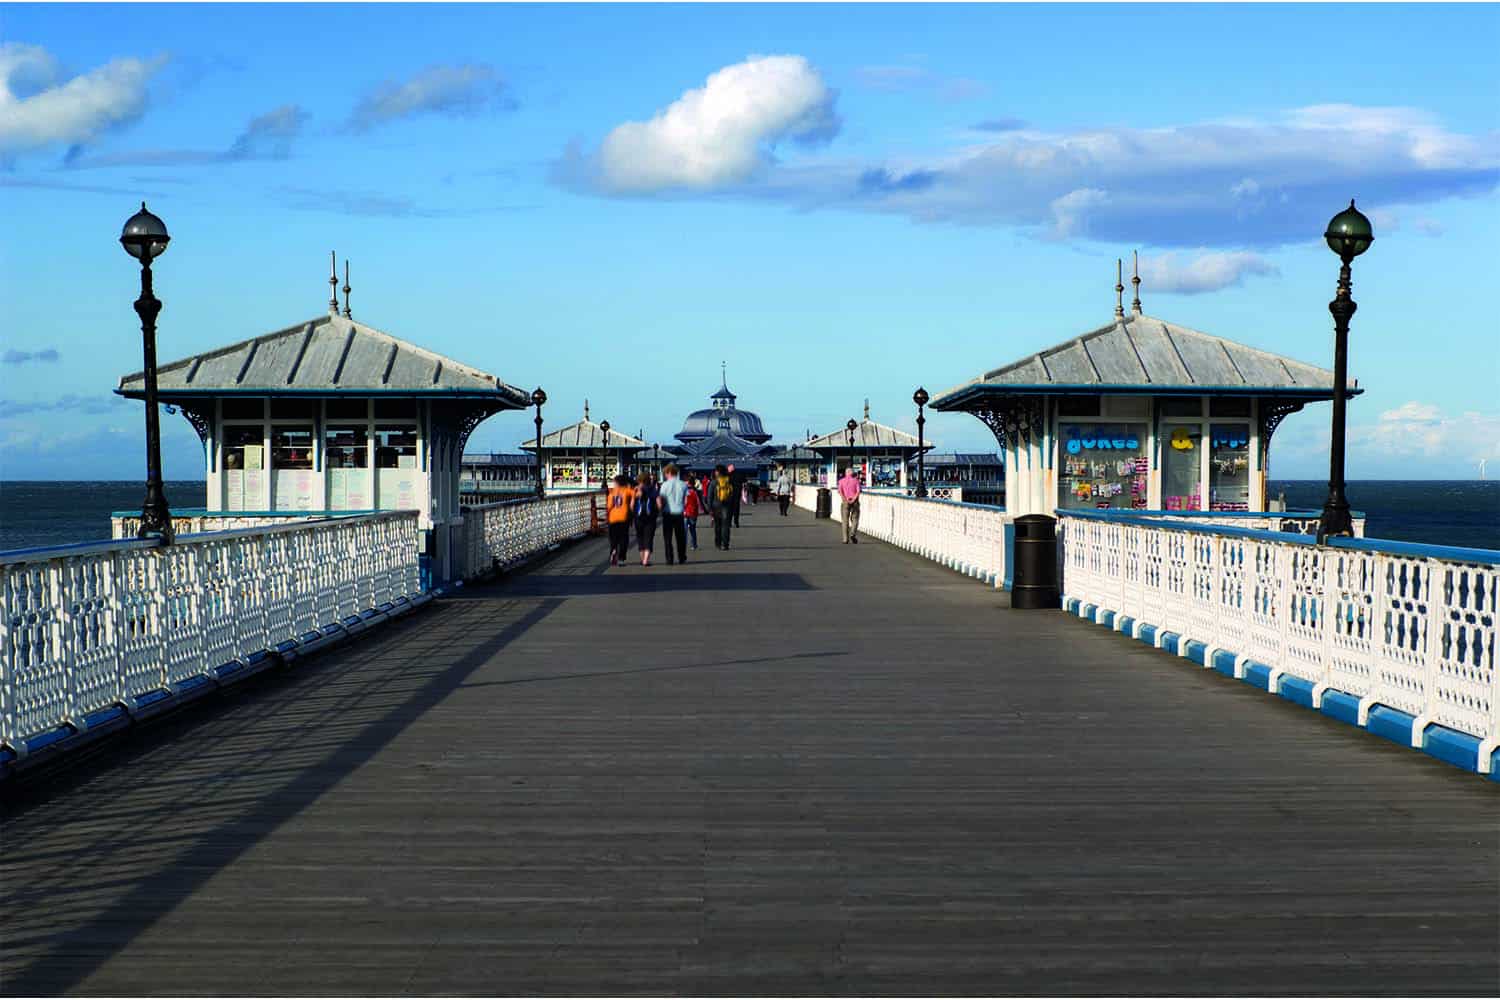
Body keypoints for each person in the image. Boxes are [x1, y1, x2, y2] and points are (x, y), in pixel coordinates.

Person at [657, 464, 690, 565]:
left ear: (669, 472)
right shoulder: (683, 484)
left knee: (668, 538)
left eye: (665, 473)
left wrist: (660, 509)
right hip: (679, 513)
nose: (665, 475)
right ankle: (682, 557)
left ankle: (669, 559)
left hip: (668, 513)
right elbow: (686, 500)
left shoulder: (664, 485)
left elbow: (661, 500)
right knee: (680, 537)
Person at [606, 474, 635, 566]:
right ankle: (621, 558)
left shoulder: (612, 493)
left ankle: (613, 550)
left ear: (617, 483)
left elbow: (609, 506)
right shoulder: (627, 490)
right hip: (624, 517)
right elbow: (636, 493)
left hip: (613, 518)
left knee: (613, 538)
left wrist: (607, 516)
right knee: (623, 538)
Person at [634, 471, 661, 566]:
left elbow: (632, 504)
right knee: (649, 538)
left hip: (638, 517)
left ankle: (642, 559)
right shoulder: (653, 489)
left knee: (640, 537)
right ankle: (646, 560)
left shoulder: (636, 489)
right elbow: (659, 505)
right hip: (650, 517)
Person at [708, 464, 736, 550]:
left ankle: (718, 543)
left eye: (716, 471)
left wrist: (710, 508)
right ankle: (726, 544)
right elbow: (733, 494)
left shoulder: (713, 482)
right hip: (727, 506)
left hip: (716, 506)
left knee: (718, 526)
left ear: (718, 472)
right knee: (726, 526)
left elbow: (709, 496)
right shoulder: (729, 481)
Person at [838, 466, 862, 544]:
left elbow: (840, 492)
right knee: (855, 519)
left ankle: (845, 539)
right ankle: (852, 534)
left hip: (845, 502)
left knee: (845, 521)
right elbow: (858, 491)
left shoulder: (841, 481)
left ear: (846, 473)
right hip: (854, 502)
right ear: (852, 473)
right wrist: (854, 499)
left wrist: (845, 499)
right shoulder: (856, 481)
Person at [682, 473, 704, 551]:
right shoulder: (695, 491)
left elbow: (682, 502)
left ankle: (683, 545)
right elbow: (699, 502)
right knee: (692, 529)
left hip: (685, 512)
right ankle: (694, 545)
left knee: (684, 530)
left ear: (688, 482)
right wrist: (701, 509)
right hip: (693, 513)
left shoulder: (685, 491)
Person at [727, 463, 743, 528]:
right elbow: (744, 480)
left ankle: (729, 523)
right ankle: (736, 522)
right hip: (737, 494)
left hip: (729, 495)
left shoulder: (727, 476)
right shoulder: (739, 474)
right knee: (736, 509)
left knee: (729, 510)